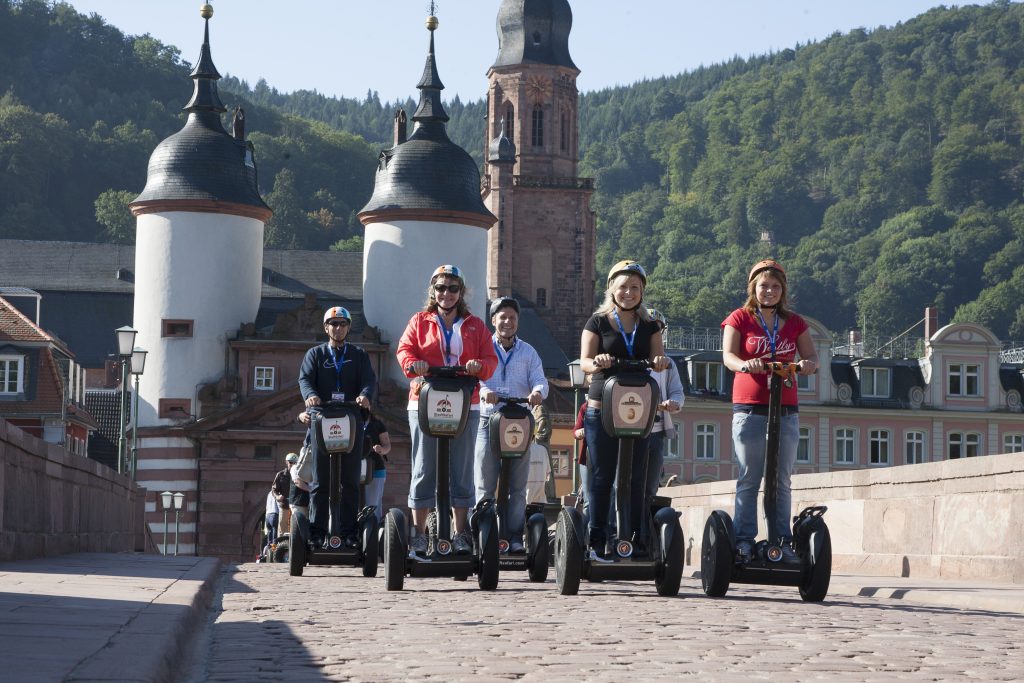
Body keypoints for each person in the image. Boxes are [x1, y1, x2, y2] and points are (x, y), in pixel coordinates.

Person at [721, 258, 818, 562]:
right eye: (764, 285)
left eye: (776, 286)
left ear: (783, 290)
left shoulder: (794, 322)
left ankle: (781, 541)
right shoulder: (739, 318)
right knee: (750, 476)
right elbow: (728, 356)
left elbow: (811, 358)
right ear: (753, 287)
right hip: (750, 408)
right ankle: (744, 540)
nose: (769, 291)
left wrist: (806, 366)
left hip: (786, 409)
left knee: (781, 478)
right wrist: (745, 364)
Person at [396, 265, 498, 555]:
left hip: (466, 400)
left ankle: (460, 532)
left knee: (461, 467)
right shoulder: (419, 321)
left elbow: (490, 360)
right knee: (424, 466)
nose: (446, 293)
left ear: (461, 292)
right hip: (424, 399)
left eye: (453, 288)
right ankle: (418, 534)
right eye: (441, 288)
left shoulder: (476, 325)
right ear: (433, 291)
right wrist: (412, 365)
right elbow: (404, 350)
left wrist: (480, 367)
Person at [579, 260, 668, 560]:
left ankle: (632, 539)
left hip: (637, 408)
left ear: (642, 291)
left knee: (634, 477)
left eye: (635, 288)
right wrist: (599, 363)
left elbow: (659, 358)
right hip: (602, 407)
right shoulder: (598, 322)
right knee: (603, 476)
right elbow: (585, 363)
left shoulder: (650, 326)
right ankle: (597, 539)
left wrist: (659, 362)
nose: (628, 293)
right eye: (623, 287)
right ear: (611, 290)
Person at [298, 306, 377, 549]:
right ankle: (317, 532)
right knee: (321, 481)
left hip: (350, 419)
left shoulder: (359, 354)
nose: (338, 328)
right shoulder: (315, 354)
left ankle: (350, 532)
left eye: (342, 324)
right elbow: (305, 379)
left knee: (350, 481)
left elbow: (369, 380)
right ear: (326, 328)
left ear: (348, 327)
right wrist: (310, 396)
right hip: (322, 419)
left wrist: (364, 395)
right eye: (333, 324)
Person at [474, 297, 548, 553]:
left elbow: (540, 380)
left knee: (518, 487)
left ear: (518, 322)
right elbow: (476, 378)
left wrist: (538, 392)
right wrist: (484, 391)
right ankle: (483, 537)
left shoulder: (528, 352)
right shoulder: (483, 349)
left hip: (518, 422)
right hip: (489, 421)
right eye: (502, 317)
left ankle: (514, 537)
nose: (507, 322)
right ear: (493, 320)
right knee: (485, 484)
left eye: (512, 318)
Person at [643, 309, 684, 499]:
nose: (654, 334)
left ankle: (646, 522)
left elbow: (677, 391)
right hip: (630, 428)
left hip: (656, 430)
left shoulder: (668, 364)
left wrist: (674, 403)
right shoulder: (632, 359)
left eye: (658, 330)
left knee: (651, 485)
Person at [362, 409, 392, 520]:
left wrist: (381, 450)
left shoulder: (378, 424)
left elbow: (387, 446)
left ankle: (373, 529)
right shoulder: (352, 421)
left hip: (375, 469)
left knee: (373, 505)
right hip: (355, 469)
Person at [272, 453, 297, 538]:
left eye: (294, 462)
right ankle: (281, 546)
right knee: (282, 527)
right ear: (286, 462)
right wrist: (277, 497)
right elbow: (274, 489)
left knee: (295, 527)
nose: (292, 464)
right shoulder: (281, 474)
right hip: (284, 505)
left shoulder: (299, 475)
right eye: (290, 462)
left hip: (296, 505)